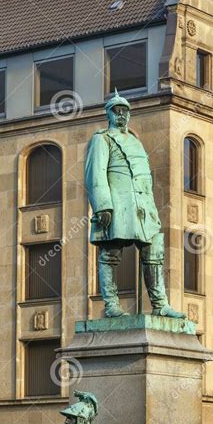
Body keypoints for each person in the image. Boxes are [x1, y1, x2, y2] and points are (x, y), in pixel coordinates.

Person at [85, 89, 185, 319]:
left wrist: (151, 210)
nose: (121, 115)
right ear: (109, 114)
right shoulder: (102, 139)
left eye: (125, 112)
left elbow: (145, 179)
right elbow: (95, 175)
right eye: (117, 111)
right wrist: (103, 206)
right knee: (110, 253)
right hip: (118, 205)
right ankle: (111, 305)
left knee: (153, 252)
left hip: (142, 208)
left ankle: (160, 304)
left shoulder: (136, 143)